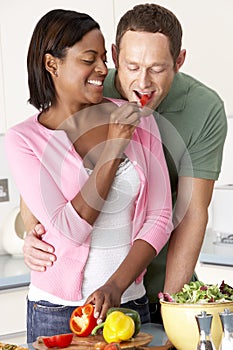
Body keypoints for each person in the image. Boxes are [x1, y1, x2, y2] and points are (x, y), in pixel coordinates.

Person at [21, 3, 227, 324]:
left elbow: (190, 213)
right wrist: (32, 235)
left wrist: (171, 307)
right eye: (131, 66)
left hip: (152, 285)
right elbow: (39, 171)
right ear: (115, 56)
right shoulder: (88, 88)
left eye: (157, 69)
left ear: (179, 61)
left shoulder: (204, 108)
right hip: (64, 297)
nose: (142, 83)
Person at [5, 8, 173, 342]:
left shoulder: (138, 119)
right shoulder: (24, 140)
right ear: (52, 65)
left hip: (128, 305)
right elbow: (70, 231)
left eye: (102, 59)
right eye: (89, 59)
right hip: (57, 313)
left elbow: (161, 216)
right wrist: (113, 150)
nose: (102, 69)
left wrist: (116, 285)